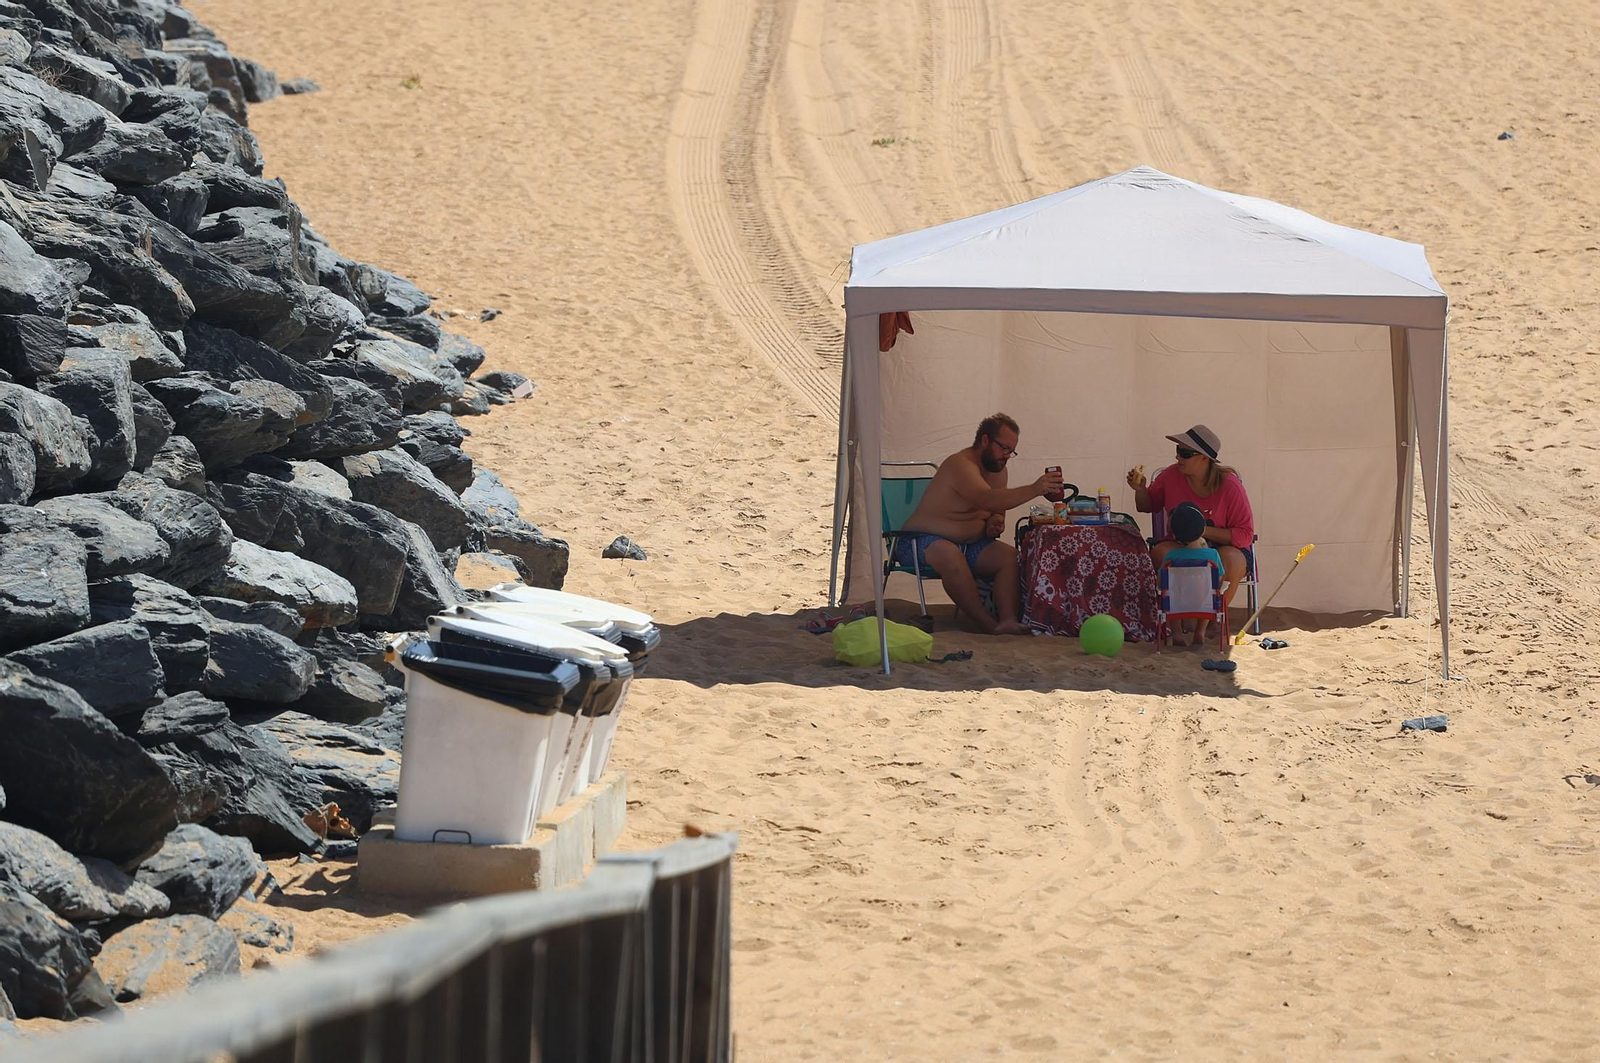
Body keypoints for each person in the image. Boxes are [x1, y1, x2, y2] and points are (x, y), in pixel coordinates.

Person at [896, 413, 1065, 635]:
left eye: (1011, 451)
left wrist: (995, 522)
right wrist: (1035, 489)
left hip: (969, 545)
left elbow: (996, 509)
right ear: (985, 440)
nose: (1006, 456)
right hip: (919, 542)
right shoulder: (960, 464)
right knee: (949, 555)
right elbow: (985, 498)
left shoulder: (998, 471)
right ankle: (986, 624)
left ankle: (1008, 620)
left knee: (1009, 557)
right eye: (1003, 448)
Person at [1126, 423, 1255, 613]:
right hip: (1181, 545)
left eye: (1185, 453)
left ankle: (1215, 617)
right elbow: (1146, 506)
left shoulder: (1230, 486)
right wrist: (1140, 490)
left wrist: (1201, 530)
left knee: (1234, 560)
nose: (1178, 457)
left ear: (1204, 458)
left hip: (1220, 548)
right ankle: (1179, 615)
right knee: (1160, 553)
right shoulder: (1170, 475)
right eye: (1178, 450)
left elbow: (1245, 535)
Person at [1160, 502, 1224, 647]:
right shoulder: (1212, 555)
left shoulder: (1171, 556)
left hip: (1178, 603)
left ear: (1174, 534)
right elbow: (1220, 578)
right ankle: (1200, 632)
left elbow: (1161, 581)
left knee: (1171, 594)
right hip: (1203, 602)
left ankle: (1176, 632)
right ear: (1203, 530)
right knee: (1210, 594)